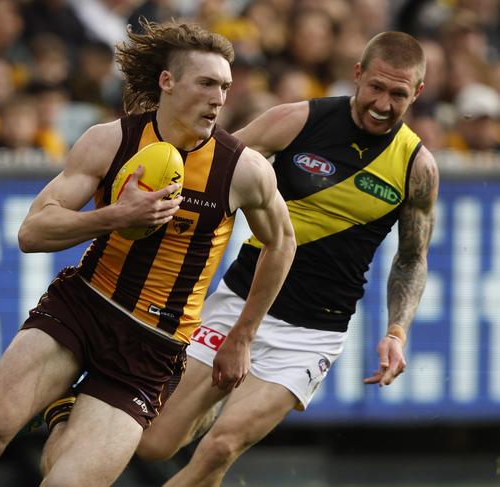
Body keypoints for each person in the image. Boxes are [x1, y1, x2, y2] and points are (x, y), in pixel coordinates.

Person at [0, 18, 296, 487]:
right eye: (205, 83)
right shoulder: (111, 140)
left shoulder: (242, 169)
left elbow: (282, 243)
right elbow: (31, 233)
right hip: (81, 307)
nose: (219, 98)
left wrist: (242, 336)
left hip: (152, 345)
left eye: (224, 86)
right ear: (168, 81)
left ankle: (66, 413)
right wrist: (114, 217)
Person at [134, 30, 439, 486]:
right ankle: (211, 397)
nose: (382, 103)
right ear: (358, 75)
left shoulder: (417, 167)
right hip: (240, 302)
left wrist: (397, 331)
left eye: (398, 94)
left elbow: (412, 259)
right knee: (154, 444)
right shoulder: (299, 120)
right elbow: (214, 167)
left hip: (313, 333)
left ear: (416, 93)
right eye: (376, 87)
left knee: (221, 447)